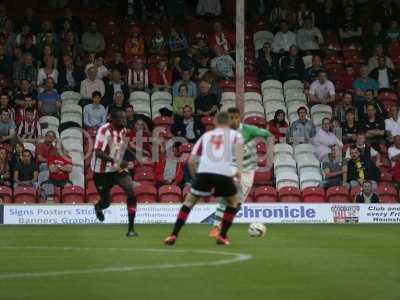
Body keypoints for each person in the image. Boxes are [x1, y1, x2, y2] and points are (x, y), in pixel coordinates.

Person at [164, 111, 243, 246]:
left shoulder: (206, 136)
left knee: (188, 203)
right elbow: (239, 159)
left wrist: (196, 178)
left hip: (204, 173)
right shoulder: (236, 135)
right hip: (224, 173)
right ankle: (222, 236)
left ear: (215, 122)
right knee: (233, 203)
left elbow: (191, 161)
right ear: (229, 123)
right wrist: (237, 175)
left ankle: (173, 235)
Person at [209, 108, 273, 238]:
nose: (234, 120)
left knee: (236, 204)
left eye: (236, 118)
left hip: (248, 171)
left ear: (240, 118)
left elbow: (267, 134)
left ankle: (223, 227)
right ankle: (216, 227)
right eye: (231, 118)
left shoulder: (249, 130)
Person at [92, 108, 139, 237]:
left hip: (117, 169)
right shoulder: (104, 130)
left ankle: (131, 229)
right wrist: (115, 160)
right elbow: (98, 152)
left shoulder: (123, 130)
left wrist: (135, 154)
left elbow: (120, 145)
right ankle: (98, 207)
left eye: (125, 118)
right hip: (101, 172)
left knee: (131, 192)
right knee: (106, 202)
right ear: (113, 120)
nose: (125, 121)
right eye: (121, 119)